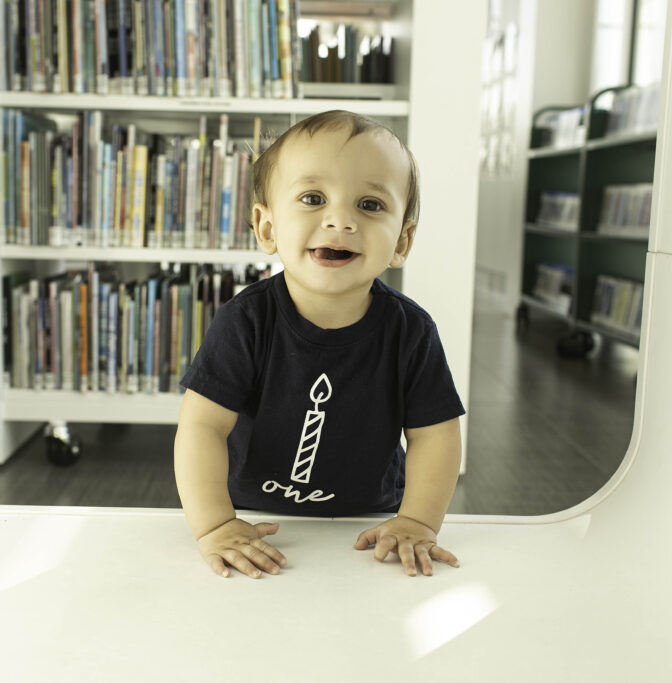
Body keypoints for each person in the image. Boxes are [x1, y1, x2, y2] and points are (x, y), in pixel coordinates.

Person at [174, 110, 465, 579]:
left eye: (370, 205)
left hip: (370, 524)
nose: (340, 220)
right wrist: (216, 525)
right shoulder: (243, 321)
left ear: (402, 241)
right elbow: (202, 428)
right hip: (254, 519)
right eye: (313, 198)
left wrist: (416, 521)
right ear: (267, 228)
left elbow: (435, 434)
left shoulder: (411, 332)